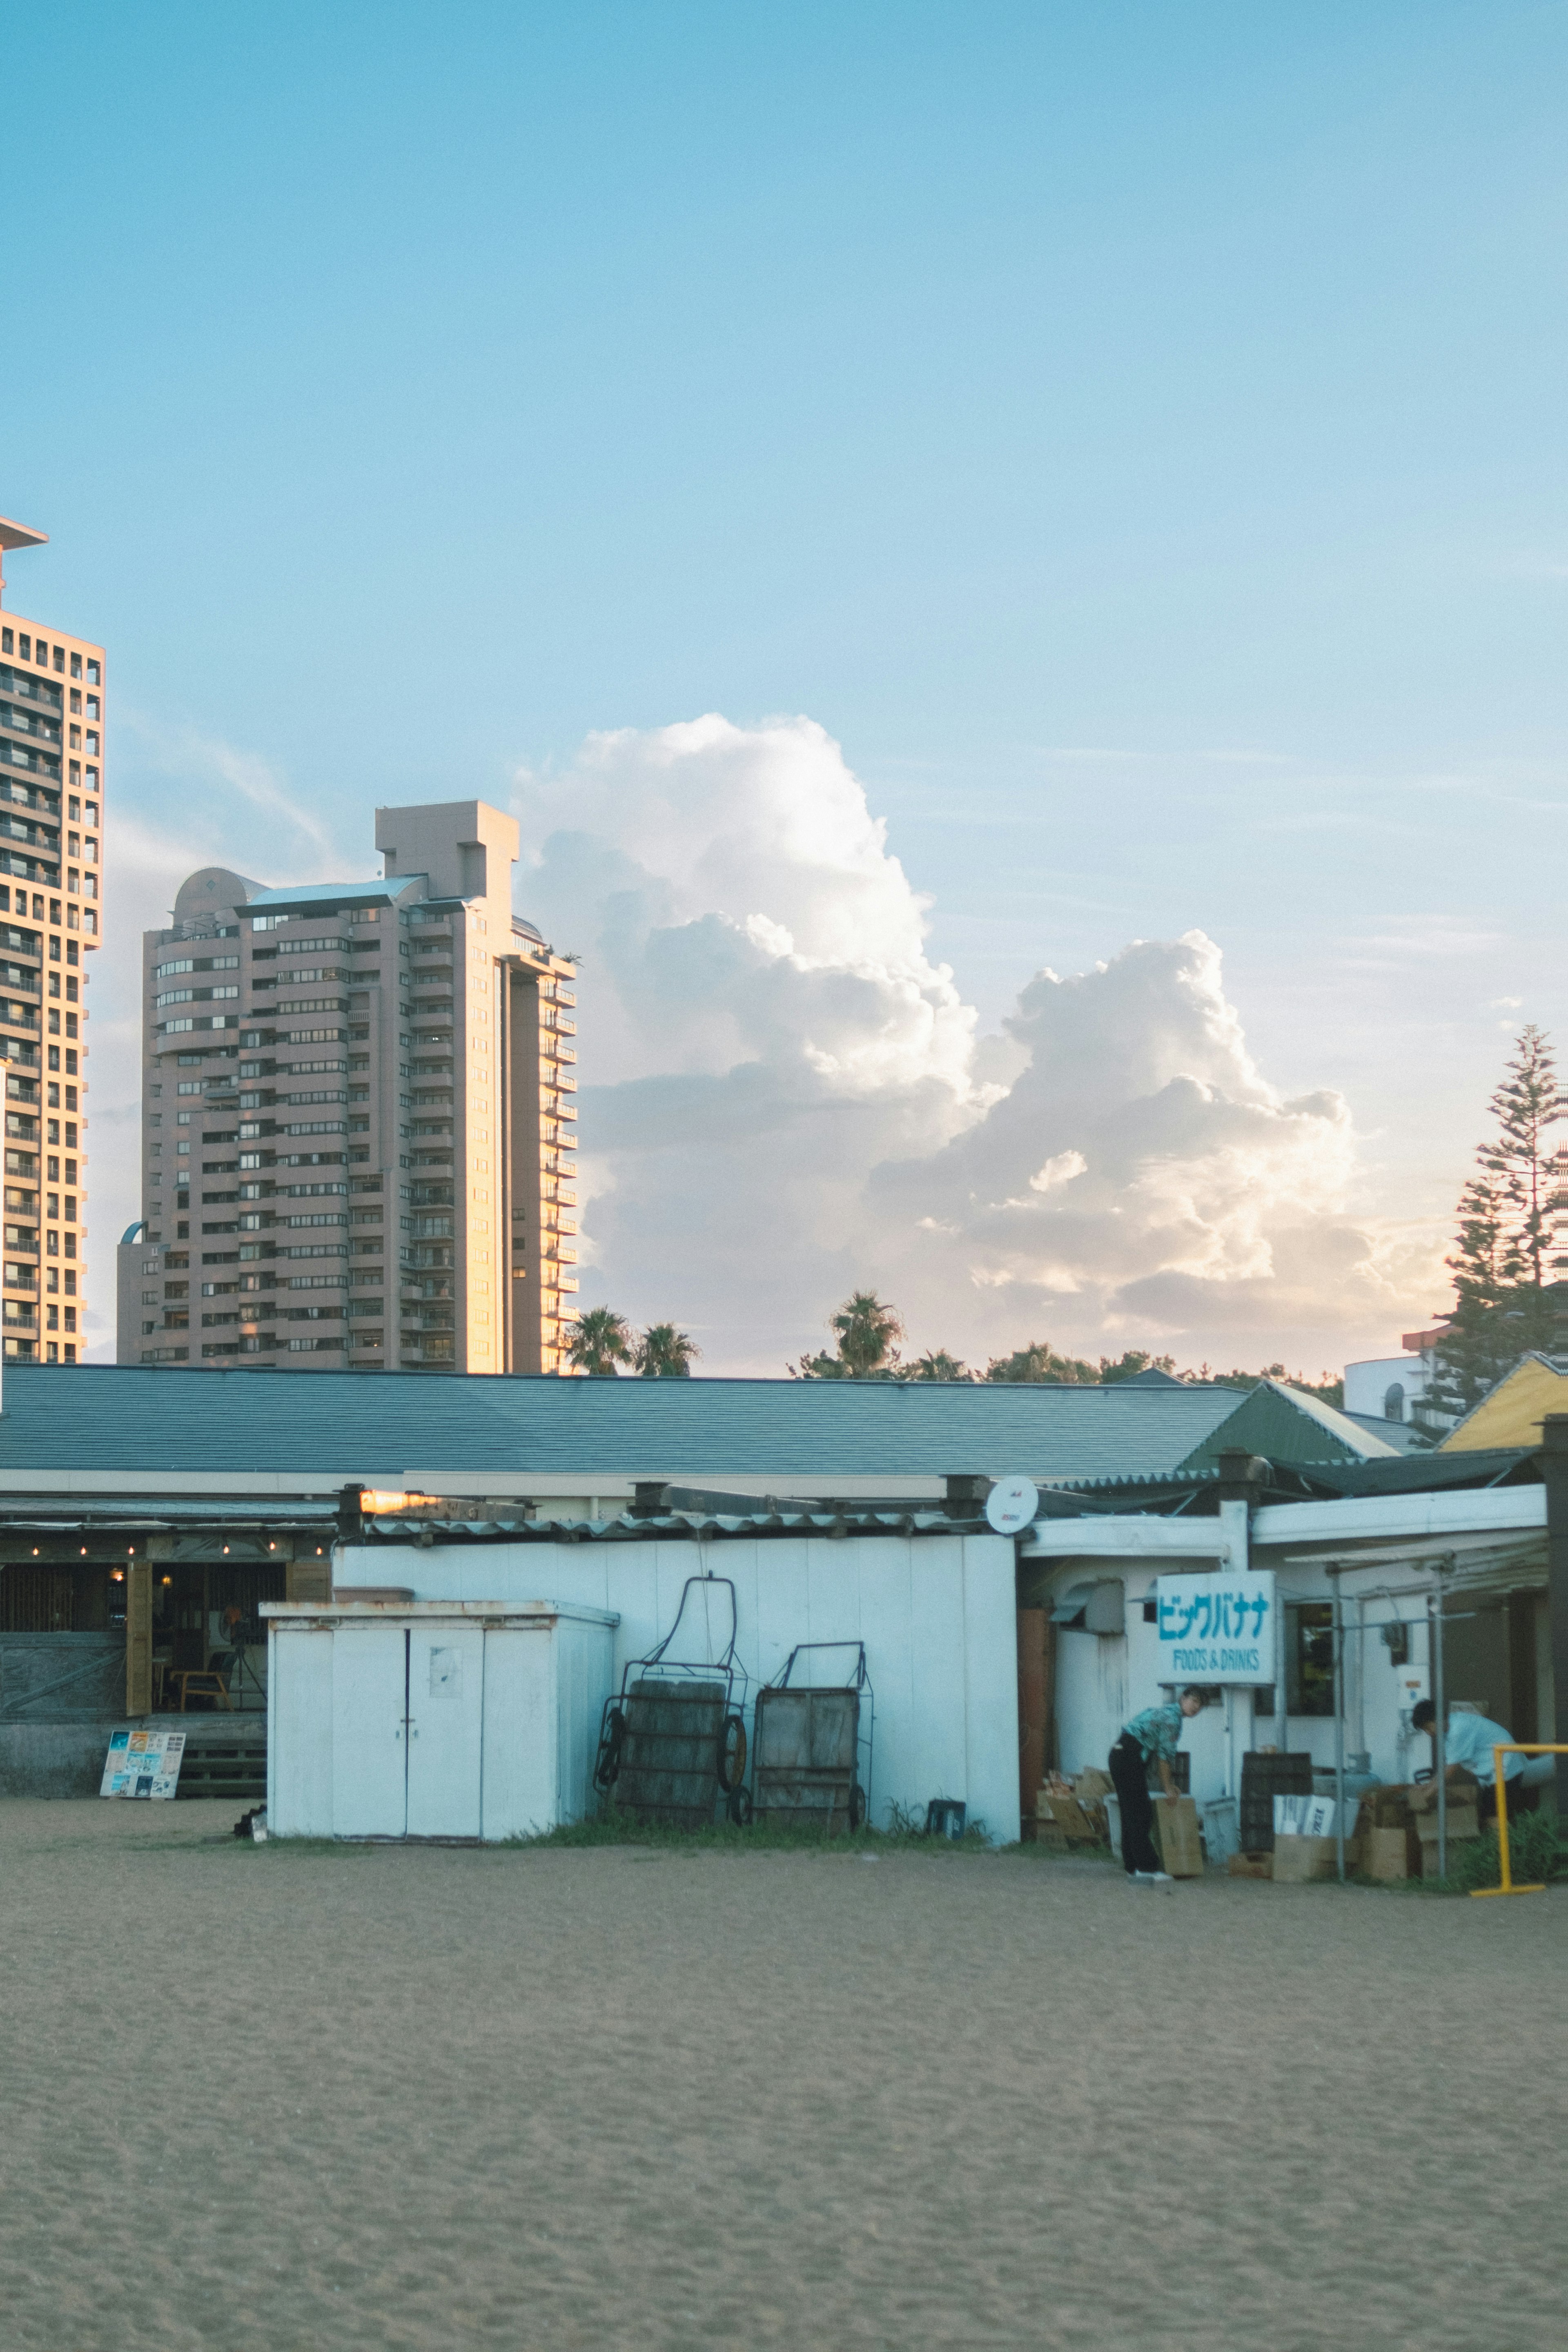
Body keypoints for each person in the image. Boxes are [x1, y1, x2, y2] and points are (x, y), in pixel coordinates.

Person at [1108, 1688, 1208, 1889]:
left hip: (1119, 1754)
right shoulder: (1173, 1721)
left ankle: (1133, 1866)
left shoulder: (1163, 1711)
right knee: (1141, 1813)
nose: (1196, 1708)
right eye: (1194, 1701)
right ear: (1183, 1699)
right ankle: (1146, 1868)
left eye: (1200, 1705)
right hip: (1129, 1757)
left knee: (1131, 1812)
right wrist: (1168, 1788)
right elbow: (1165, 1758)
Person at [1410, 1699, 1536, 1824]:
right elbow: (1447, 1766)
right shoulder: (1449, 1727)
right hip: (1497, 1769)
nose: (1428, 1733)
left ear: (1438, 1718)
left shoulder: (1458, 1730)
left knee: (1495, 1816)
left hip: (1505, 1766)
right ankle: (1506, 1842)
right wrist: (1428, 1786)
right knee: (1492, 1814)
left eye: (1428, 1727)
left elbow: (1450, 1771)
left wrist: (1425, 1797)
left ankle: (1509, 1843)